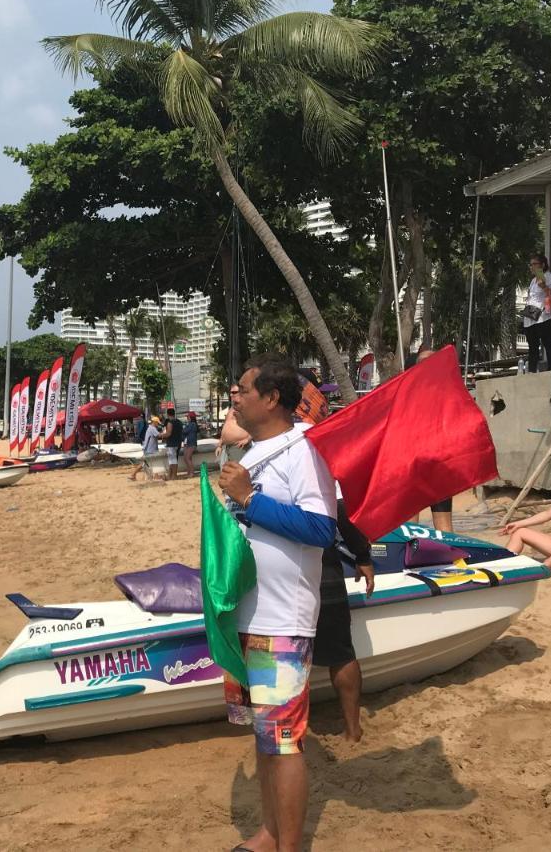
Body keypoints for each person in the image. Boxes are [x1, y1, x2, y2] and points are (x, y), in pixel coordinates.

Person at [216, 354, 337, 852]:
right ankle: (269, 832)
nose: (235, 397)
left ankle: (289, 846)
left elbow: (321, 529)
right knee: (264, 738)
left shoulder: (303, 451)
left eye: (243, 389)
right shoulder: (251, 455)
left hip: (282, 620)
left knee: (284, 741)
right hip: (244, 615)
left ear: (270, 398)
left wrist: (249, 500)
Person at [316, 497, 374, 743]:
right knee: (341, 653)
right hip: (322, 571)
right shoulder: (315, 467)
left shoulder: (251, 471)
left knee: (285, 655)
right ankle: (353, 731)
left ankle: (285, 734)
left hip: (276, 581)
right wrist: (362, 556)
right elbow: (341, 511)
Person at [415, 349, 454, 532]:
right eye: (421, 361)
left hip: (440, 464)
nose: (425, 364)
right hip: (413, 465)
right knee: (409, 526)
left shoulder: (449, 391)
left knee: (444, 526)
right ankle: (407, 559)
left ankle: (450, 557)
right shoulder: (408, 391)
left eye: (430, 360)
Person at [522, 253, 551, 374]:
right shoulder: (533, 281)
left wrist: (545, 287)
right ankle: (532, 370)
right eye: (530, 265)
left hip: (543, 316)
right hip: (530, 316)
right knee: (532, 346)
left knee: (548, 343)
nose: (532, 267)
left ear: (542, 264)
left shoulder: (550, 277)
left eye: (534, 264)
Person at [129, 415, 161, 481]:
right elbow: (159, 435)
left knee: (146, 463)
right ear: (154, 422)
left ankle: (133, 475)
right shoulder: (152, 428)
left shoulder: (150, 428)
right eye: (157, 423)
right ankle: (155, 476)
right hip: (150, 449)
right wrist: (166, 433)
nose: (158, 424)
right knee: (153, 463)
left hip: (148, 448)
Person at [161, 407, 183, 480]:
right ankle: (170, 475)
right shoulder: (179, 422)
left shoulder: (170, 423)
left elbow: (168, 433)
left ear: (168, 414)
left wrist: (161, 435)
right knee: (173, 459)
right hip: (178, 442)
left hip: (171, 443)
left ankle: (174, 476)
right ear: (174, 413)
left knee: (173, 460)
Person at [182, 411, 199, 477]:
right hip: (188, 443)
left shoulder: (192, 424)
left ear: (191, 417)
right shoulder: (191, 424)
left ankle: (191, 473)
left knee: (187, 458)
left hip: (191, 443)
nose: (187, 418)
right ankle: (189, 472)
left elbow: (184, 431)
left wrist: (183, 429)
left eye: (188, 416)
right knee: (186, 458)